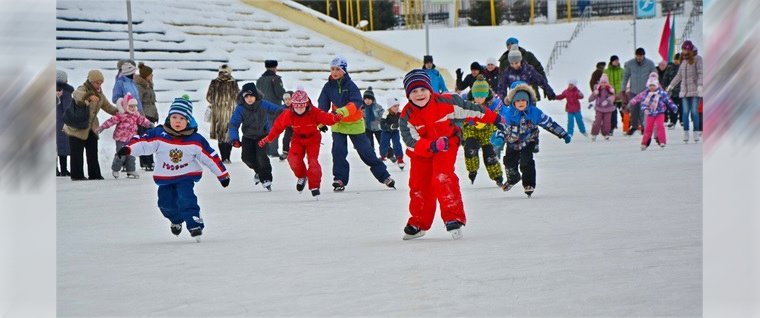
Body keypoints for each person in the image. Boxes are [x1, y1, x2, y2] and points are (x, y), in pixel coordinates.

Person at [398, 70, 500, 240]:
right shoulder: (406, 115)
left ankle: (453, 217)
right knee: (418, 185)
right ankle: (419, 223)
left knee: (442, 176)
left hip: (446, 145)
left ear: (430, 89)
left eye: (422, 90)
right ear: (408, 95)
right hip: (421, 152)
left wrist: (495, 119)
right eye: (414, 91)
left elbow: (472, 110)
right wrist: (430, 145)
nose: (419, 94)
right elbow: (410, 141)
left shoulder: (446, 102)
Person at [117, 97, 230, 242]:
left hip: (186, 176)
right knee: (165, 203)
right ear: (169, 118)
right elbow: (143, 142)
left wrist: (222, 174)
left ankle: (195, 223)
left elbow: (210, 157)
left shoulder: (195, 139)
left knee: (186, 198)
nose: (177, 121)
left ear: (188, 120)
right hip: (165, 178)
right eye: (174, 117)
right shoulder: (159, 134)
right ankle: (176, 220)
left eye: (182, 118)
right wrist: (128, 149)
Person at [317, 56, 395, 192]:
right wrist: (321, 121)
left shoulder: (351, 86)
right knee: (338, 152)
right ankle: (339, 179)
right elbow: (322, 104)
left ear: (344, 71)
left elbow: (356, 103)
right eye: (332, 69)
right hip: (339, 124)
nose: (334, 72)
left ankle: (385, 176)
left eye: (337, 69)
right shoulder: (328, 87)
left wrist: (341, 112)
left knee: (366, 153)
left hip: (354, 123)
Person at [490, 81, 571, 196]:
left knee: (526, 161)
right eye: (517, 101)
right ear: (512, 101)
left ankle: (529, 184)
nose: (521, 103)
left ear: (528, 100)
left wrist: (563, 134)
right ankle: (513, 179)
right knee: (509, 162)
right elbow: (502, 128)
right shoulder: (508, 114)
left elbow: (549, 124)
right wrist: (499, 138)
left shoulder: (535, 112)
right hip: (512, 141)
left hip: (529, 141)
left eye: (523, 100)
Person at [258, 90, 343, 198]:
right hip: (297, 139)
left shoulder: (314, 112)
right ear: (293, 105)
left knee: (313, 161)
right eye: (296, 106)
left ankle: (314, 185)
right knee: (293, 159)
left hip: (313, 139)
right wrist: (267, 139)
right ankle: (302, 176)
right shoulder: (288, 114)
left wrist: (334, 118)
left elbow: (326, 117)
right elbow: (277, 127)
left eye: (301, 106)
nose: (299, 109)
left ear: (306, 104)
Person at [64, 70, 120, 181]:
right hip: (77, 127)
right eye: (97, 83)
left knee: (92, 151)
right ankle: (77, 175)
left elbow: (108, 107)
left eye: (100, 83)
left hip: (91, 127)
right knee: (77, 153)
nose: (99, 85)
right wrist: (88, 97)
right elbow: (76, 94)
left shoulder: (100, 94)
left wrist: (120, 112)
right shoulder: (83, 88)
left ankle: (94, 174)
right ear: (90, 81)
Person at [228, 82, 283, 191]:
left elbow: (277, 109)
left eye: (251, 96)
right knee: (246, 158)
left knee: (261, 157)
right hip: (248, 137)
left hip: (262, 135)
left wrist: (288, 112)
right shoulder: (240, 108)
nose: (249, 99)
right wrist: (234, 139)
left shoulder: (263, 104)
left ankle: (266, 178)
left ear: (256, 96)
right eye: (246, 96)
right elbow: (233, 124)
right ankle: (259, 172)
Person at [96, 93, 153, 179]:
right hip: (120, 138)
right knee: (121, 155)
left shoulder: (136, 115)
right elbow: (110, 121)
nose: (133, 108)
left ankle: (130, 170)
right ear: (126, 106)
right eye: (131, 106)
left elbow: (142, 120)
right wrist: (102, 127)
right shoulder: (121, 115)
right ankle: (115, 169)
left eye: (134, 106)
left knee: (131, 155)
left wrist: (149, 124)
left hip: (132, 138)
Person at [462, 77, 504, 187]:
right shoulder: (467, 104)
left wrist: (498, 131)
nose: (479, 99)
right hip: (471, 132)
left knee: (490, 156)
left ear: (486, 95)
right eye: (476, 96)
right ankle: (472, 170)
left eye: (482, 96)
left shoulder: (494, 105)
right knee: (470, 149)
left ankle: (497, 177)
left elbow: (499, 119)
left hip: (487, 133)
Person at [629, 73, 679, 150]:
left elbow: (668, 100)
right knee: (648, 128)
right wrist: (634, 103)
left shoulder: (661, 92)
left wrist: (674, 107)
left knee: (660, 126)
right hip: (650, 113)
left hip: (660, 113)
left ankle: (662, 141)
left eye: (653, 85)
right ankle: (644, 143)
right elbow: (640, 98)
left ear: (657, 85)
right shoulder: (646, 93)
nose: (652, 87)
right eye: (650, 85)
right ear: (648, 86)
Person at [666, 40, 703, 143]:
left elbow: (701, 73)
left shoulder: (698, 59)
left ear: (690, 49)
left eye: (685, 49)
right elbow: (679, 76)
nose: (684, 52)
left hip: (695, 90)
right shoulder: (683, 61)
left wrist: (700, 86)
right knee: (685, 112)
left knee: (694, 112)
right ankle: (686, 132)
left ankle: (696, 132)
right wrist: (671, 86)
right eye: (683, 49)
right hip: (684, 91)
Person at [206, 63, 240, 164]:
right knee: (228, 135)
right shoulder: (233, 83)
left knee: (220, 136)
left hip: (218, 112)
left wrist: (216, 103)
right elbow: (238, 97)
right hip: (230, 112)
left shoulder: (214, 83)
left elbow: (208, 97)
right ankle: (227, 158)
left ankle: (223, 157)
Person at [622, 47, 657, 135]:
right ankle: (634, 126)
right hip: (633, 91)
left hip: (645, 91)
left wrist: (654, 87)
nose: (639, 58)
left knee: (643, 110)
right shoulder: (630, 64)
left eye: (640, 56)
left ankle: (643, 127)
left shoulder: (650, 63)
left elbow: (654, 75)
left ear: (643, 55)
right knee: (634, 110)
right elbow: (626, 76)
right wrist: (623, 88)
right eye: (637, 56)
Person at [257, 59, 287, 158]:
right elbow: (279, 93)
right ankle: (273, 151)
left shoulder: (260, 80)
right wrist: (286, 96)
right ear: (275, 68)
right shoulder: (276, 79)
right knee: (275, 129)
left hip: (262, 108)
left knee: (265, 129)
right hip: (274, 109)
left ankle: (266, 150)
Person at [135, 62, 158, 171]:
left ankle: (147, 161)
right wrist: (142, 117)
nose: (152, 76)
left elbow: (152, 102)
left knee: (149, 138)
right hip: (144, 115)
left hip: (150, 114)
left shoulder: (149, 85)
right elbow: (138, 102)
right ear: (145, 75)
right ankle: (148, 162)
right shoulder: (140, 86)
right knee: (146, 139)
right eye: (150, 74)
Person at [588, 74, 616, 141]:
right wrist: (594, 94)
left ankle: (606, 134)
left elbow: (612, 97)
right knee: (597, 121)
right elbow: (591, 98)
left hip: (608, 109)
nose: (603, 84)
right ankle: (594, 134)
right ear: (600, 82)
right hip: (599, 108)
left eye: (605, 82)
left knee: (607, 122)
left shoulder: (610, 89)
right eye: (602, 82)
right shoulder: (597, 89)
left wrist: (608, 101)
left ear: (607, 83)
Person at [379, 97, 405, 169]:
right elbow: (382, 124)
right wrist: (389, 127)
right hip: (386, 132)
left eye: (398, 105)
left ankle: (399, 158)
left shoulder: (400, 113)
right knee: (384, 143)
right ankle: (383, 156)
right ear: (390, 107)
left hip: (395, 132)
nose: (397, 107)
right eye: (394, 106)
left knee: (397, 144)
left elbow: (404, 121)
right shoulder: (386, 113)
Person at [56, 69, 73, 177]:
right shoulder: (66, 92)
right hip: (63, 122)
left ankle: (56, 169)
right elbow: (67, 108)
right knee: (64, 146)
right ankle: (64, 169)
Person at [604, 55, 625, 135]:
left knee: (623, 111)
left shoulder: (622, 70)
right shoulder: (606, 71)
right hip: (611, 95)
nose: (616, 62)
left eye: (617, 60)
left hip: (620, 95)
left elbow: (626, 81)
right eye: (615, 61)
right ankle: (611, 129)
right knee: (612, 113)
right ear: (611, 61)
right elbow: (604, 82)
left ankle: (627, 126)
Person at [279, 90, 294, 161]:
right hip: (289, 127)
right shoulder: (283, 108)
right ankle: (285, 152)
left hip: (299, 126)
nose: (287, 101)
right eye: (285, 100)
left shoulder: (297, 106)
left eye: (289, 99)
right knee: (285, 139)